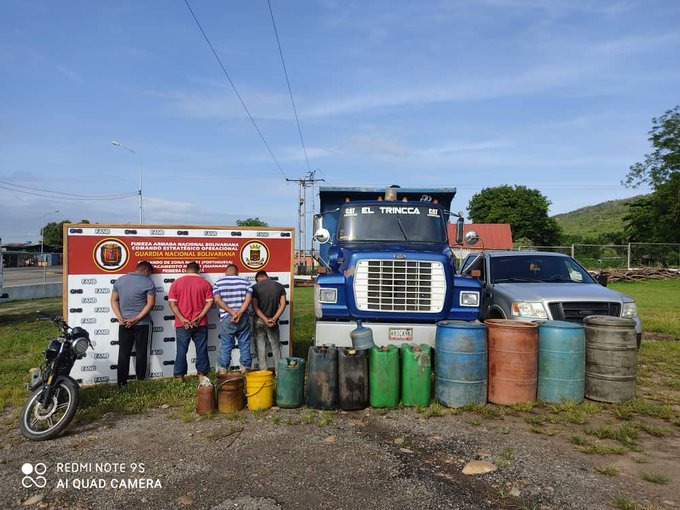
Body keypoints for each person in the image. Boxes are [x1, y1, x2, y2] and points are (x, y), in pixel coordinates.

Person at [111, 260, 155, 387]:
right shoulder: (148, 282)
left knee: (123, 353)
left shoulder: (120, 280)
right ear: (146, 270)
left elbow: (113, 300)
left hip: (124, 323)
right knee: (142, 353)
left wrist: (120, 317)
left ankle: (121, 383)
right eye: (150, 273)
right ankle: (141, 381)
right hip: (142, 323)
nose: (149, 275)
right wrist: (137, 318)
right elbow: (150, 304)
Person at [168, 262, 214, 381]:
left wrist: (182, 319)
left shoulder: (176, 282)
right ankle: (202, 375)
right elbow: (210, 302)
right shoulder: (205, 283)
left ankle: (179, 376)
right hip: (200, 322)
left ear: (186, 269)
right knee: (201, 348)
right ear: (198, 270)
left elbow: (172, 303)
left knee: (181, 349)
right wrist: (199, 317)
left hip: (182, 323)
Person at [212, 264, 253, 373]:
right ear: (237, 272)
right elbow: (248, 300)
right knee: (244, 343)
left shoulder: (218, 283)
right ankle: (246, 368)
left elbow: (217, 300)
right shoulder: (246, 282)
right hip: (243, 316)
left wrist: (232, 312)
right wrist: (239, 313)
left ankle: (223, 370)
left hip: (227, 317)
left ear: (226, 272)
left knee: (226, 344)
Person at [252, 270, 287, 372]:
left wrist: (265, 319)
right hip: (273, 321)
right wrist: (274, 318)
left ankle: (264, 374)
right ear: (266, 276)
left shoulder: (255, 288)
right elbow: (283, 304)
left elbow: (255, 306)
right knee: (275, 347)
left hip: (259, 320)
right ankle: (279, 374)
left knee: (260, 348)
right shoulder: (279, 286)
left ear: (258, 278)